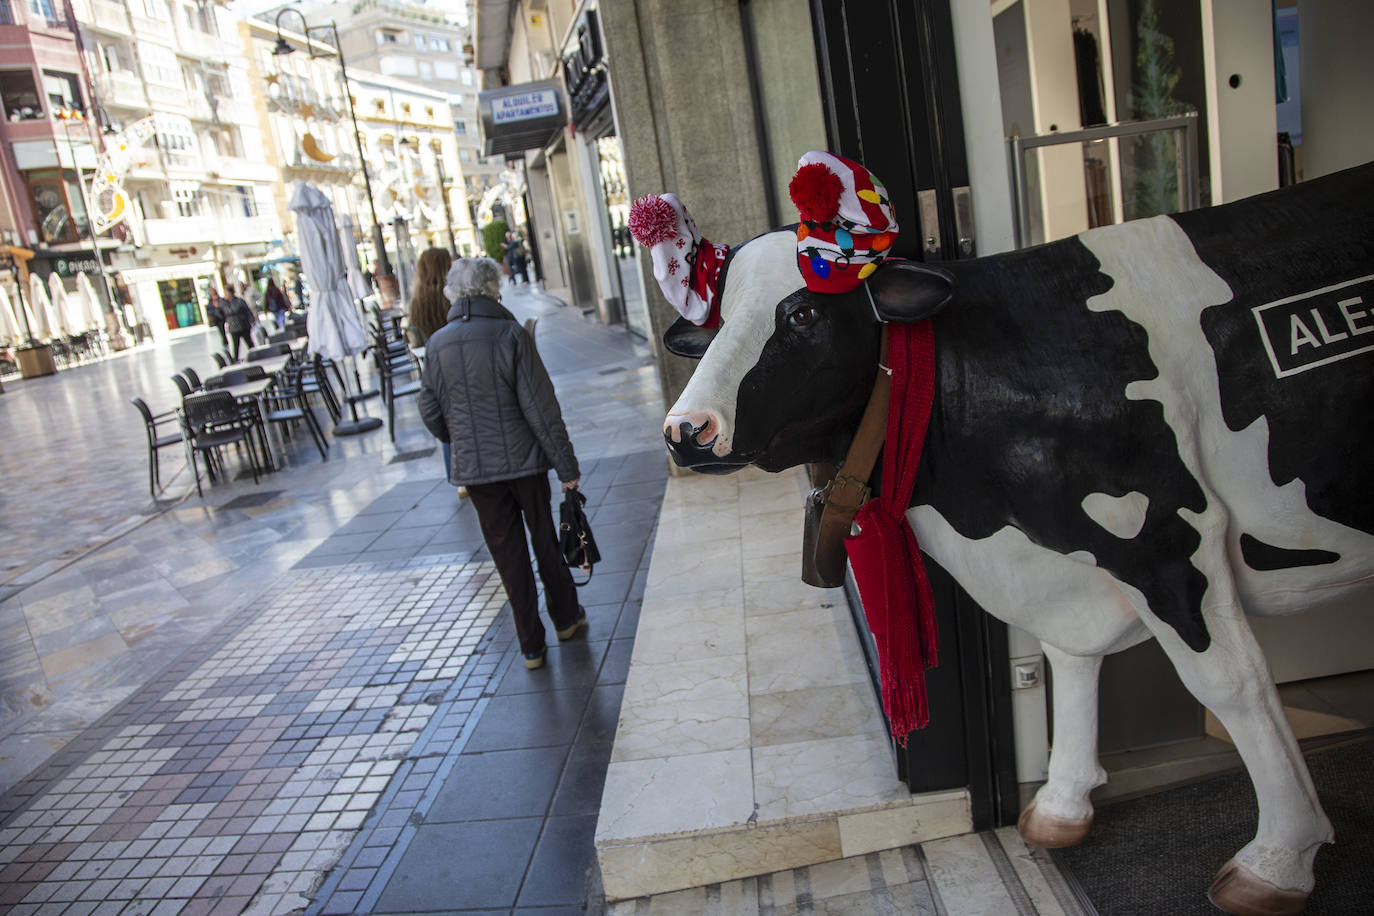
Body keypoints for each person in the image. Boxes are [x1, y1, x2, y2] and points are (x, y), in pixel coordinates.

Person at [417, 257, 585, 670]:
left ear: (453, 294)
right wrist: (567, 468)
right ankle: (565, 619)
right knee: (545, 540)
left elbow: (429, 409)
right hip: (526, 464)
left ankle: (531, 645)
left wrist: (459, 440)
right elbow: (542, 410)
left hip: (477, 473)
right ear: (494, 289)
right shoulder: (511, 333)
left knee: (506, 555)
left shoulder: (436, 344)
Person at [407, 247, 454, 477]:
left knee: (446, 420)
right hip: (457, 362)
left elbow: (413, 338)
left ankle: (455, 476)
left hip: (433, 368)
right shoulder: (451, 296)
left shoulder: (417, 302)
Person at [223, 284, 255, 361]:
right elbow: (222, 314)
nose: (225, 295)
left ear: (231, 293)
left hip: (243, 325)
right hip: (233, 328)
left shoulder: (239, 301)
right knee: (235, 346)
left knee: (249, 343)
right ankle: (235, 360)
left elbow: (247, 311)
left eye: (226, 293)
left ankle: (255, 355)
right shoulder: (224, 303)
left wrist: (251, 320)